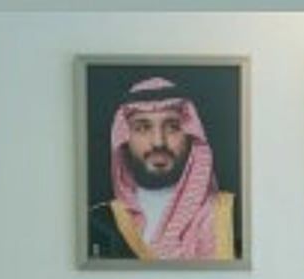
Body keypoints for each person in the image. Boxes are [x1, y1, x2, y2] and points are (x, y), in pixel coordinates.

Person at [88, 76, 238, 261]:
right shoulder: (97, 223)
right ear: (124, 139)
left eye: (172, 127)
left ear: (191, 135)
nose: (158, 142)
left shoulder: (233, 215)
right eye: (142, 128)